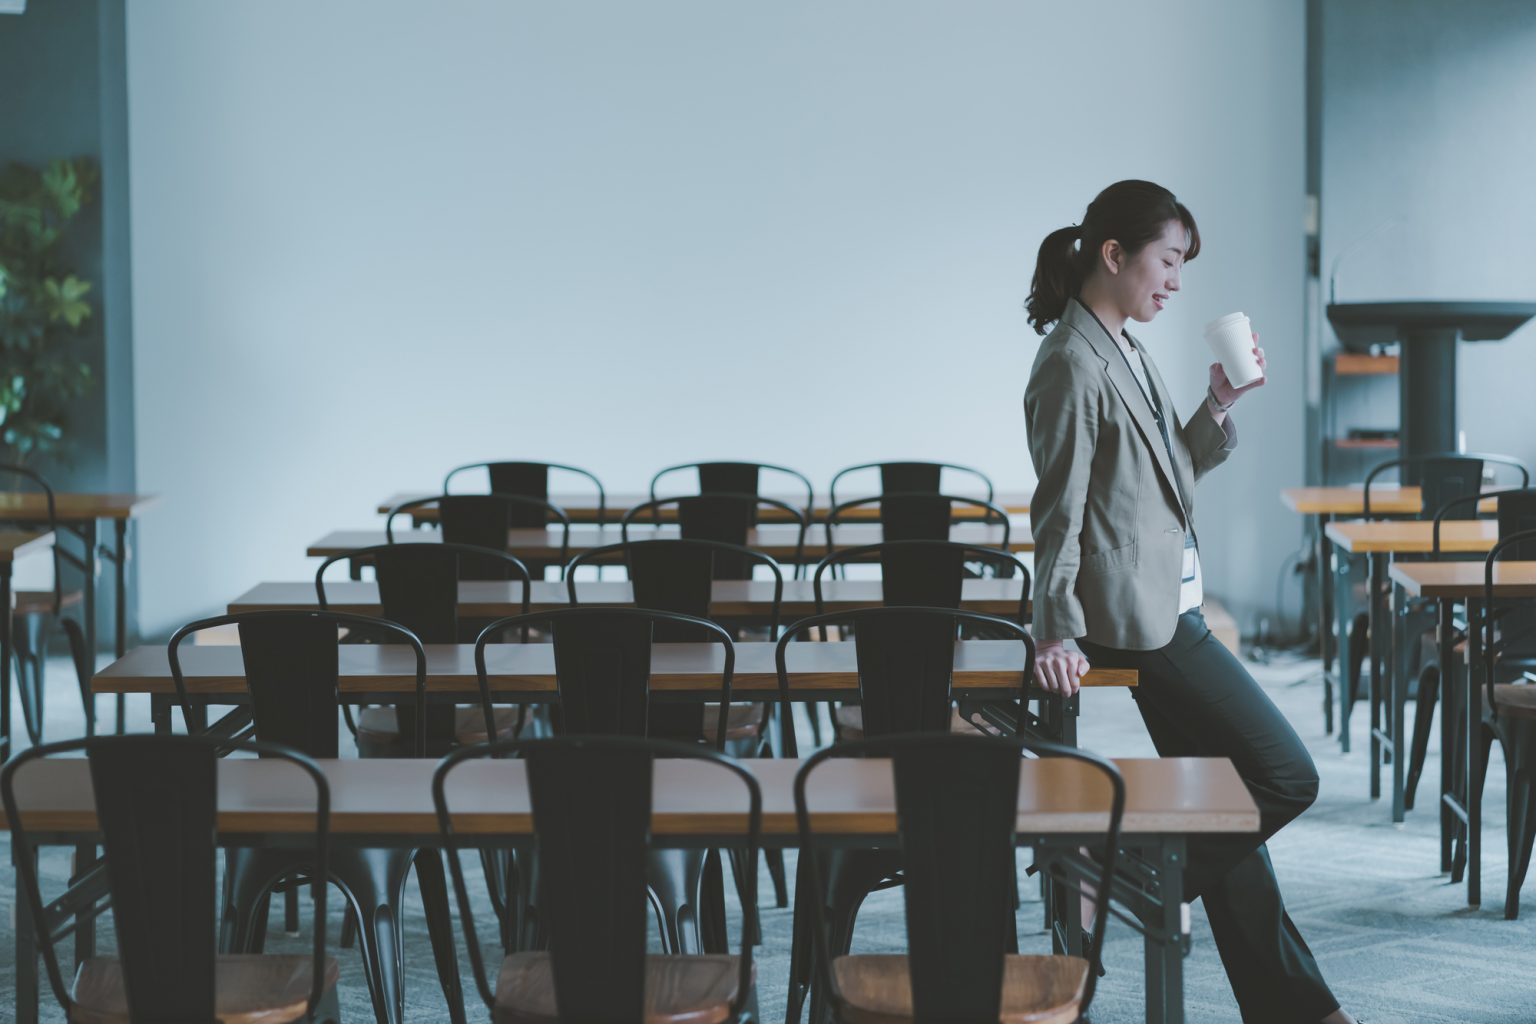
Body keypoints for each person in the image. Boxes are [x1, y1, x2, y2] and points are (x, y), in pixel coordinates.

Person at [1022, 179, 1358, 1024]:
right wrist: (1054, 628)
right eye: (1168, 260)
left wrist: (1215, 405)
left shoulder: (1123, 344)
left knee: (1224, 799)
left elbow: (1159, 475)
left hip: (1170, 603)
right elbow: (1057, 512)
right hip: (1137, 624)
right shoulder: (1071, 361)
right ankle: (1121, 873)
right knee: (1286, 774)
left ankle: (1295, 1010)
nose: (1175, 280)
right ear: (1115, 254)